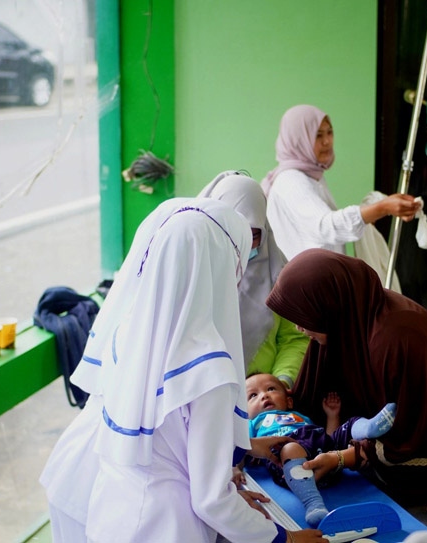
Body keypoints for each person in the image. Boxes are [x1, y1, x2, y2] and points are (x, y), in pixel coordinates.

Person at [39, 197, 326, 543]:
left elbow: (167, 438)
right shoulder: (210, 366)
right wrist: (286, 539)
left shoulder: (131, 332)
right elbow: (210, 500)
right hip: (168, 526)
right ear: (218, 265)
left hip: (112, 513)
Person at [265, 249, 427, 508]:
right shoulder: (349, 319)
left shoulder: (398, 340)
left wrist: (342, 458)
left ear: (329, 303)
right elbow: (312, 399)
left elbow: (408, 432)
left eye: (305, 318)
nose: (299, 328)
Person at [262, 104, 420, 261]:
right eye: (318, 135)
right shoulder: (291, 181)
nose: (326, 141)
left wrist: (373, 211)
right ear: (298, 140)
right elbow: (325, 227)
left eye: (329, 132)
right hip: (307, 283)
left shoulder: (313, 177)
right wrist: (382, 208)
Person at [199, 171, 309, 389]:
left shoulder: (279, 275)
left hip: (259, 405)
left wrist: (280, 382)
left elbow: (294, 338)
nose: (244, 244)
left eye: (254, 235)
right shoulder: (194, 273)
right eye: (235, 233)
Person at [246, 372, 397, 527]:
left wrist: (332, 416)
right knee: (290, 448)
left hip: (323, 452)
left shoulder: (299, 417)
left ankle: (369, 428)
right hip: (289, 461)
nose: (264, 396)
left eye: (271, 389)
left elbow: (328, 440)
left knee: (349, 425)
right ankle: (313, 504)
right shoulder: (251, 424)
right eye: (253, 395)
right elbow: (239, 446)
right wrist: (234, 468)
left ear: (289, 402)